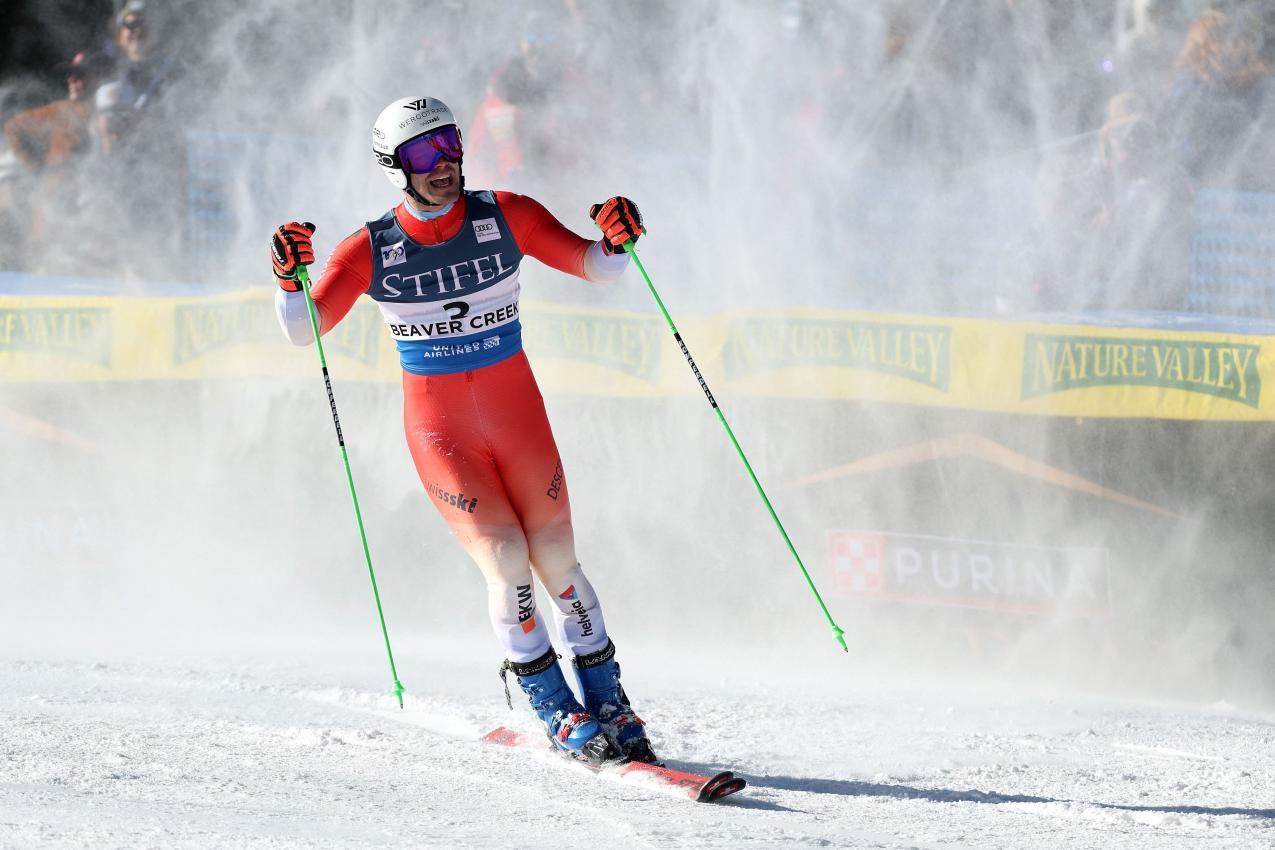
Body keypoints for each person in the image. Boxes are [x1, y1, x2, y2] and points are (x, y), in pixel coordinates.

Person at [269, 97, 653, 765]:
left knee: (560, 564)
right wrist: (285, 279)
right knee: (508, 567)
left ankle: (608, 701)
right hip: (442, 433)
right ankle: (555, 707)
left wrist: (620, 238)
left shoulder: (507, 214)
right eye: (423, 153)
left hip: (518, 418)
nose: (444, 163)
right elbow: (305, 329)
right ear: (395, 167)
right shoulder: (369, 246)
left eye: (449, 143)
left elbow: (599, 266)